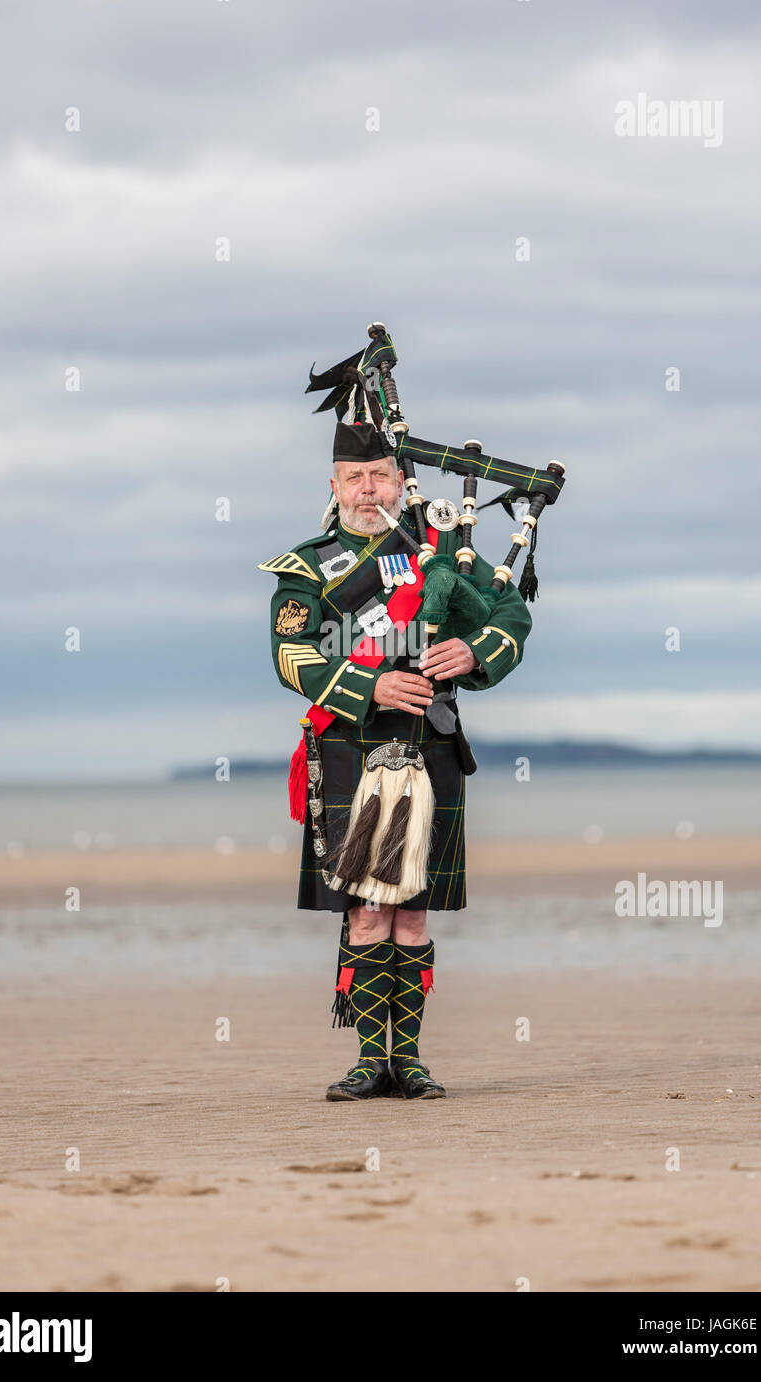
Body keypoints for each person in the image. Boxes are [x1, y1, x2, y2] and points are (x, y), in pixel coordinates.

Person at [260, 420, 532, 1100]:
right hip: (349, 747)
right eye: (355, 478)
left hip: (429, 746)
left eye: (379, 474)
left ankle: (407, 1060)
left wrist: (475, 654)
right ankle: (366, 1060)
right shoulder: (308, 566)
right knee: (365, 913)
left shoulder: (441, 554)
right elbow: (292, 657)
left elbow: (511, 617)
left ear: (400, 480)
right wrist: (371, 684)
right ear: (334, 486)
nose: (368, 488)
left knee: (413, 914)